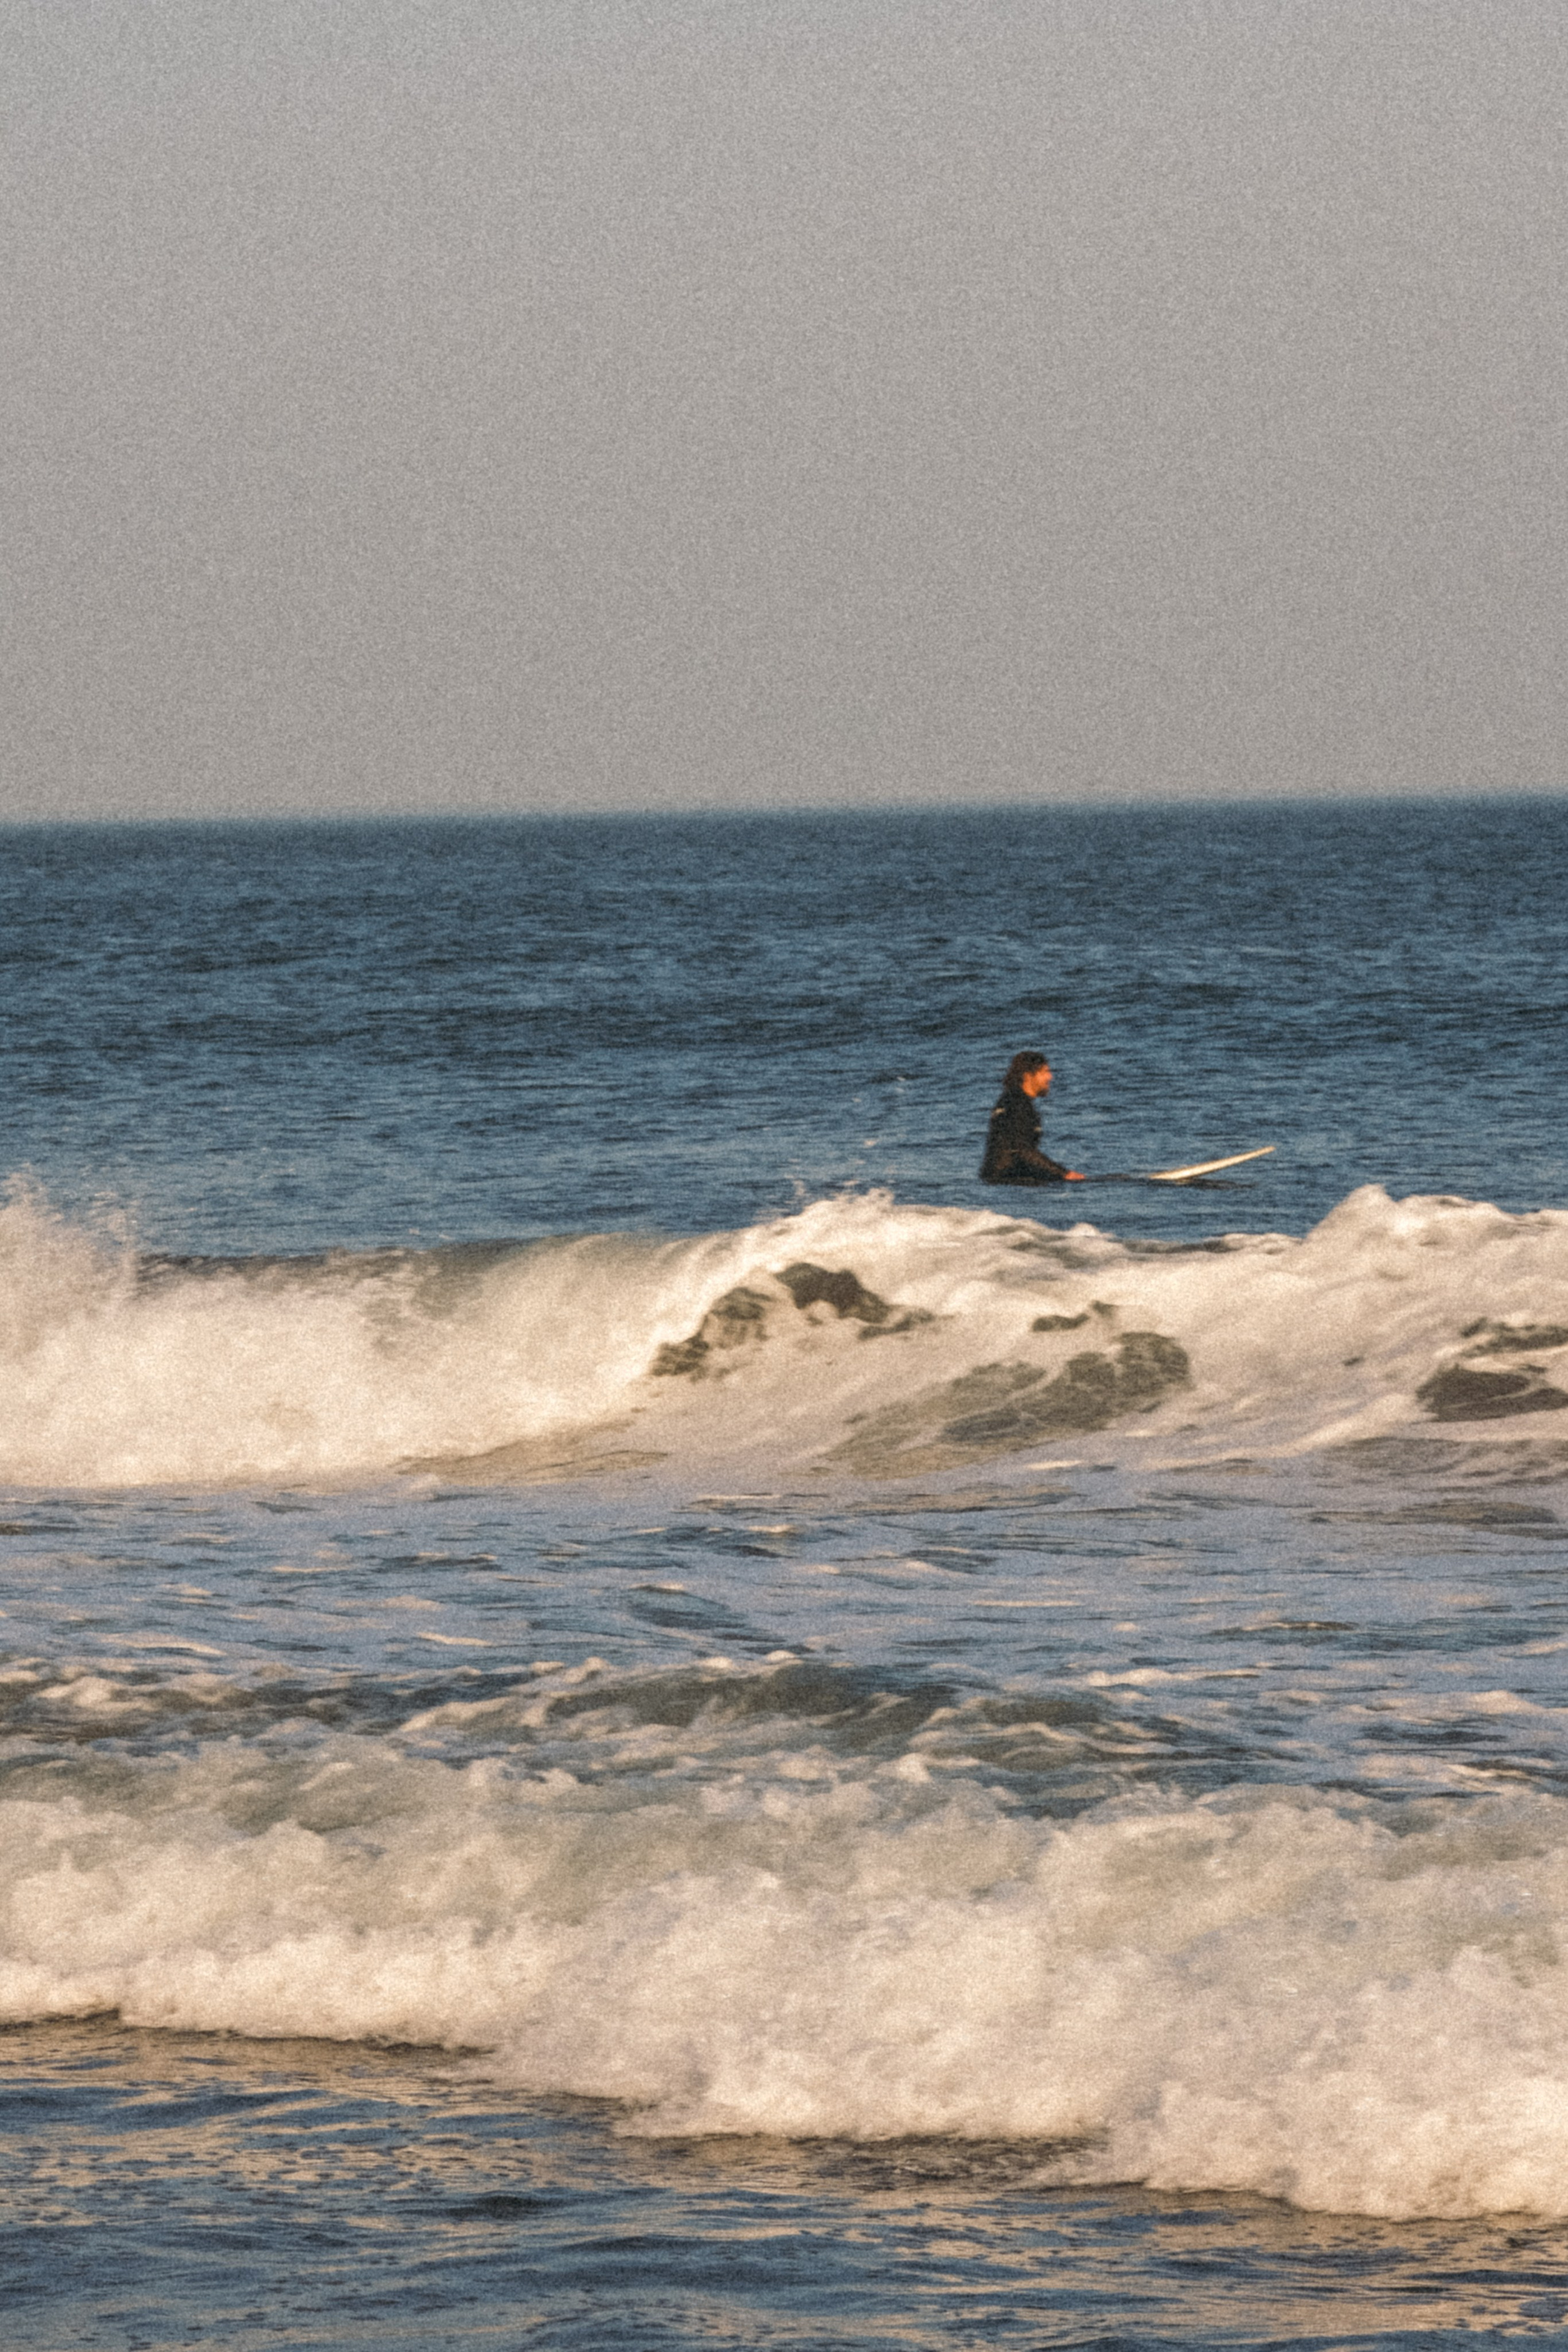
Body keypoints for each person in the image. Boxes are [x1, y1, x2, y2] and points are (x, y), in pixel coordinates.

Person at [979, 1051, 1086, 1184]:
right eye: (1045, 1072)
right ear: (1028, 1076)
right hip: (1009, 1179)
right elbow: (1023, 1151)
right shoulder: (1019, 1105)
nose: (1050, 1077)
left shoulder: (1010, 1100)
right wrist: (1064, 1173)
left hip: (996, 1177)